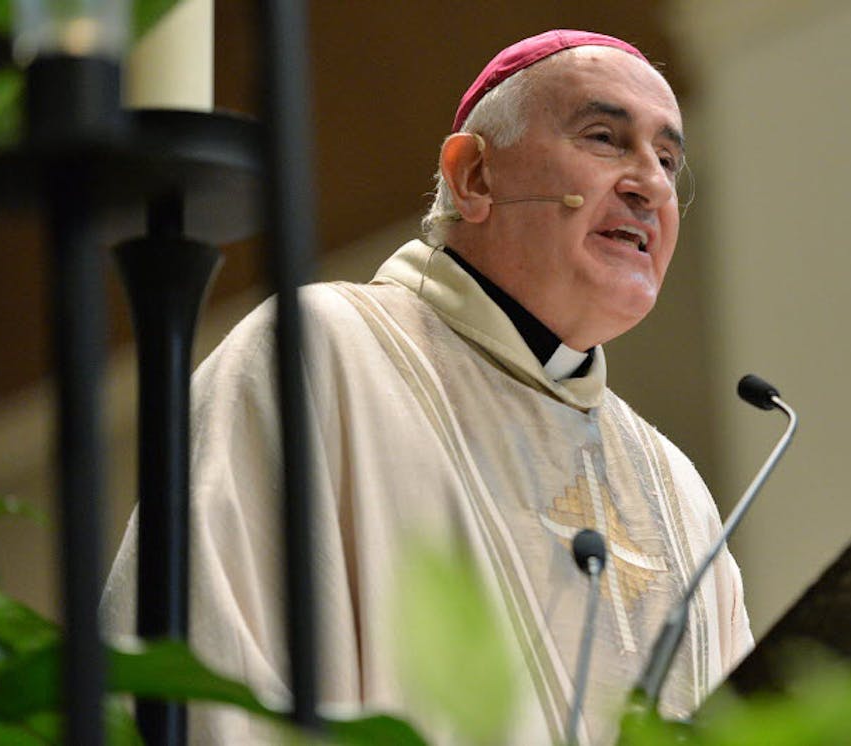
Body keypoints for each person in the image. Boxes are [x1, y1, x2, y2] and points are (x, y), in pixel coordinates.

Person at [102, 29, 752, 744]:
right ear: (473, 176)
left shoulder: (675, 492)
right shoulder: (319, 353)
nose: (650, 184)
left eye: (666, 159)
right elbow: (198, 667)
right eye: (604, 138)